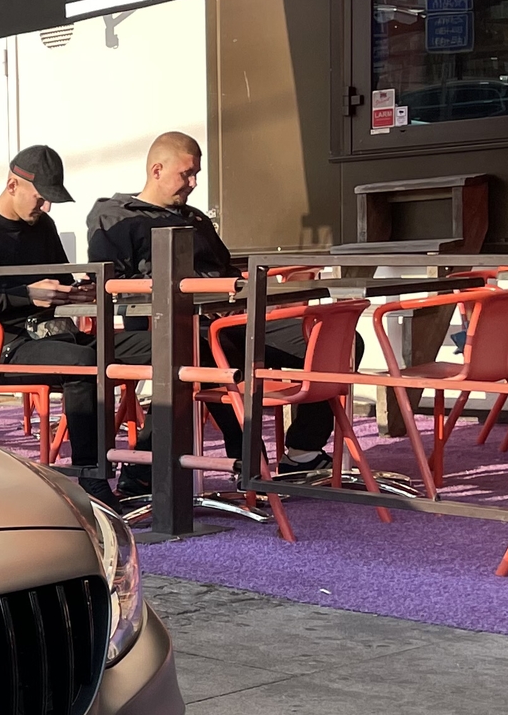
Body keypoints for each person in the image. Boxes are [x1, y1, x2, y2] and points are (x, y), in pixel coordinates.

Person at [87, 132, 337, 474]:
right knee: (212, 356)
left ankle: (303, 451)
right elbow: (114, 285)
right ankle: (236, 464)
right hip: (176, 325)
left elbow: (227, 271)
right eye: (186, 174)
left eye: (196, 175)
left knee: (336, 342)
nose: (192, 183)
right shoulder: (117, 218)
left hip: (232, 317)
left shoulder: (196, 218)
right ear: (157, 170)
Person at [0, 145, 151, 505]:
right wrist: (25, 295)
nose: (46, 207)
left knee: (163, 343)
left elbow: (59, 282)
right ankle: (91, 477)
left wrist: (78, 293)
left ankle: (148, 467)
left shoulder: (44, 226)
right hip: (7, 345)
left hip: (58, 335)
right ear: (11, 185)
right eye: (40, 198)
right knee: (85, 366)